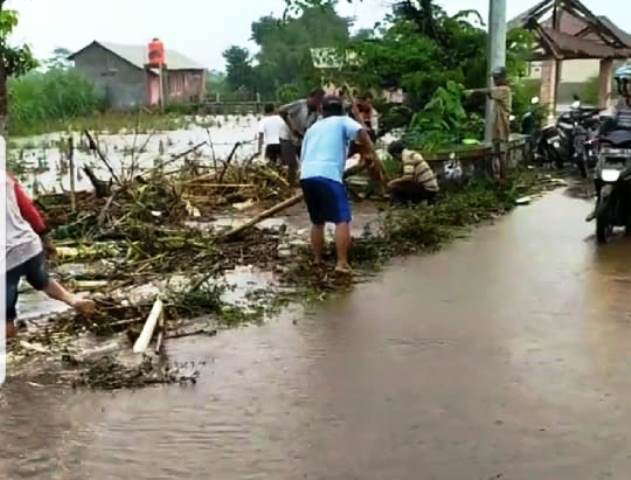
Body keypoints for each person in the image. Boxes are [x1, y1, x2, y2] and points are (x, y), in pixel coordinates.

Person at [4, 172, 96, 338]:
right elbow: (28, 209)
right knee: (43, 281)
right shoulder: (5, 177)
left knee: (5, 315)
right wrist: (44, 236)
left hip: (6, 257)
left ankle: (10, 342)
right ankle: (73, 300)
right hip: (29, 244)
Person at [299, 95, 383, 274]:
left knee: (317, 221)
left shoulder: (313, 128)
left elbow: (304, 154)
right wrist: (370, 151)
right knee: (341, 220)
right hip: (328, 174)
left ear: (322, 111)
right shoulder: (343, 121)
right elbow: (361, 132)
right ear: (342, 110)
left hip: (306, 175)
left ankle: (317, 260)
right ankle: (342, 263)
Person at [466, 67, 512, 177]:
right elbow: (490, 93)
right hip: (497, 124)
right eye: (494, 78)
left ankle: (503, 178)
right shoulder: (500, 91)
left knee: (501, 152)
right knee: (496, 151)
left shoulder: (505, 90)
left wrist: (473, 92)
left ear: (502, 78)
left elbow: (488, 91)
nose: (495, 81)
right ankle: (497, 176)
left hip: (502, 123)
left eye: (497, 78)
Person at [279, 87, 326, 185]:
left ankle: (306, 183)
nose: (318, 103)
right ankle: (290, 185)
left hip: (300, 138)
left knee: (307, 161)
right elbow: (281, 110)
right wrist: (292, 127)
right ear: (310, 98)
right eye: (317, 100)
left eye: (320, 101)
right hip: (287, 137)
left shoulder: (317, 112)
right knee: (292, 164)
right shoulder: (300, 104)